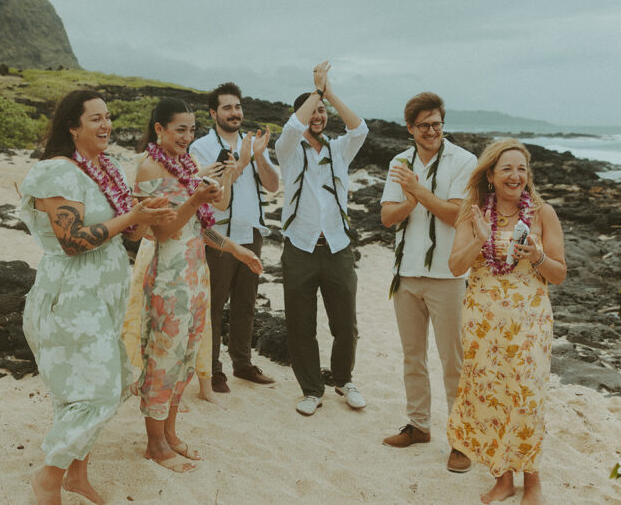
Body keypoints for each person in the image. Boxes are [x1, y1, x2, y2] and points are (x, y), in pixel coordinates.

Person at [19, 90, 175, 505]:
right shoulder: (56, 172)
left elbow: (128, 236)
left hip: (102, 296)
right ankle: (49, 477)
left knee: (83, 387)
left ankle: (77, 476)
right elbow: (71, 240)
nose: (106, 125)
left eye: (108, 117)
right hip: (69, 298)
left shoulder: (106, 169)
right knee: (100, 390)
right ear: (72, 126)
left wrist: (146, 216)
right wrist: (132, 216)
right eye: (95, 119)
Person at [133, 98, 262, 472]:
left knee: (185, 360)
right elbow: (163, 230)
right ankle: (155, 444)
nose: (187, 138)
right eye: (180, 130)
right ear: (159, 129)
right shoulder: (148, 168)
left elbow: (200, 225)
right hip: (168, 280)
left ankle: (171, 434)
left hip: (195, 276)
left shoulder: (186, 163)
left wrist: (235, 249)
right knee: (162, 360)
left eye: (191, 130)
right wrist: (194, 197)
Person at [447, 139, 566, 505]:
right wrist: (480, 242)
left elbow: (559, 274)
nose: (516, 176)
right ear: (491, 175)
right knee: (491, 397)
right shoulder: (473, 213)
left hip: (529, 322)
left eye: (521, 169)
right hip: (483, 323)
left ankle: (533, 483)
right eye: (507, 169)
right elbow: (455, 267)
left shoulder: (542, 213)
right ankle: (502, 479)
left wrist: (538, 255)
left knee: (527, 398)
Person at [380, 92, 476, 472]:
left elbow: (457, 215)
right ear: (411, 129)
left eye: (437, 123)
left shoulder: (463, 161)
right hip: (406, 275)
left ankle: (461, 440)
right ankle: (419, 426)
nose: (433, 130)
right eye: (425, 125)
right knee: (412, 356)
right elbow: (388, 216)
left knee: (454, 361)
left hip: (447, 276)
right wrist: (410, 203)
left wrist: (417, 191)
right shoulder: (399, 162)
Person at [275, 61, 368, 417]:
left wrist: (328, 93)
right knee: (301, 325)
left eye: (323, 112)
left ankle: (344, 380)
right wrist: (315, 92)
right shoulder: (288, 150)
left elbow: (360, 128)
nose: (319, 116)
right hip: (299, 247)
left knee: (346, 324)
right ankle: (311, 389)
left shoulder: (340, 149)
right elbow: (292, 126)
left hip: (338, 248)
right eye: (313, 111)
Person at [191, 82, 279, 392]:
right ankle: (213, 369)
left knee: (246, 303)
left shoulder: (250, 143)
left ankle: (242, 363)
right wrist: (242, 161)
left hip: (251, 232)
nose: (234, 113)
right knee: (213, 305)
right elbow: (212, 192)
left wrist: (260, 157)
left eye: (238, 107)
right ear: (213, 112)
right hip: (217, 236)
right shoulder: (200, 147)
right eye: (227, 107)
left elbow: (271, 186)